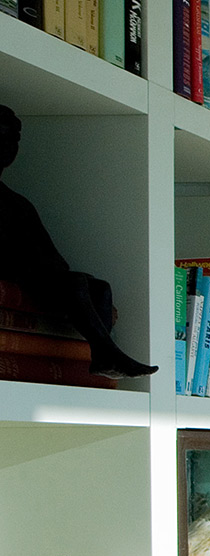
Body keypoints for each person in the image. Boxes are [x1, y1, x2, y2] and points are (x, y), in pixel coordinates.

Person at [0, 106, 157, 378]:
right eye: (3, 137)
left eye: (14, 139)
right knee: (74, 285)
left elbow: (51, 256)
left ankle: (102, 358)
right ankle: (104, 354)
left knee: (99, 288)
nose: (10, 146)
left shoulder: (17, 202)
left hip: (30, 274)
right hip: (11, 275)